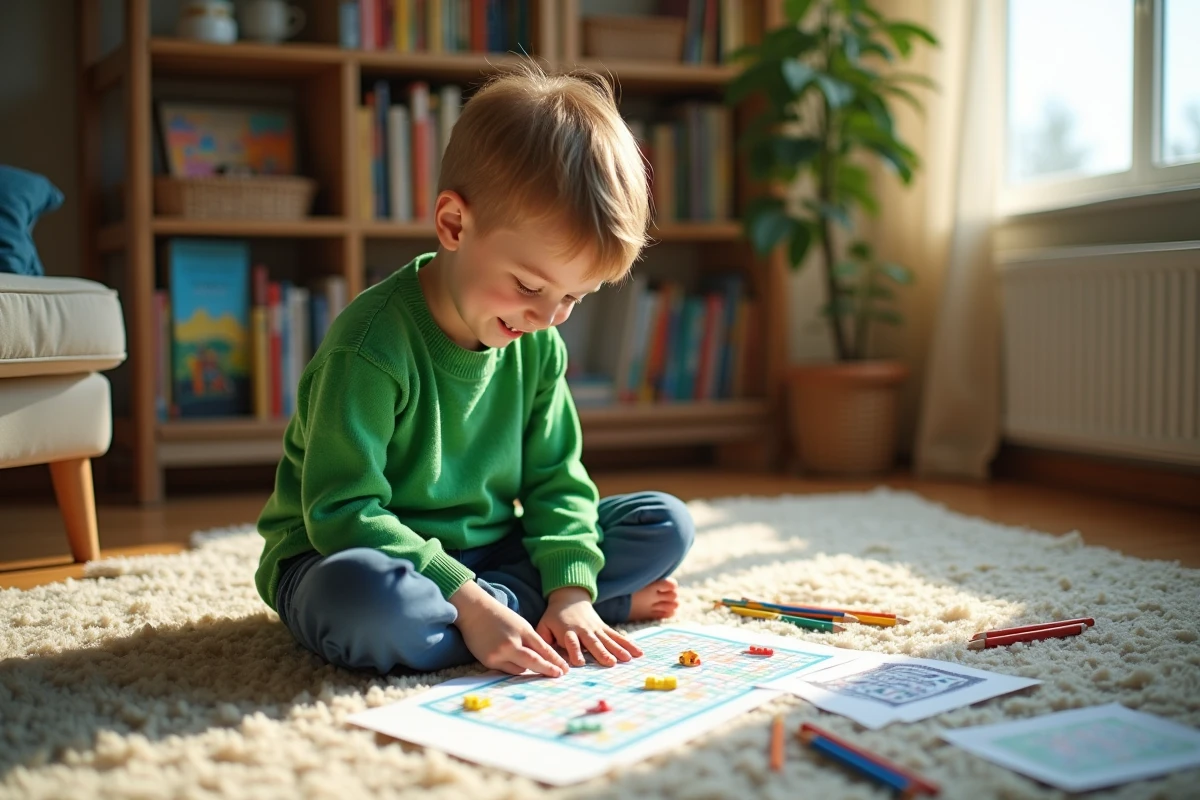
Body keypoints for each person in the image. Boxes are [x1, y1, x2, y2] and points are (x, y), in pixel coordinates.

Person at [254, 63, 695, 677]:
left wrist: (571, 590)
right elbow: (342, 512)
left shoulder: (538, 341)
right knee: (364, 604)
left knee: (663, 523)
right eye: (530, 286)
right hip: (361, 555)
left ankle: (535, 615)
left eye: (574, 298)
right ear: (455, 224)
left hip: (490, 551)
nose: (550, 316)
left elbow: (556, 482)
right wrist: (468, 597)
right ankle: (516, 616)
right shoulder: (369, 348)